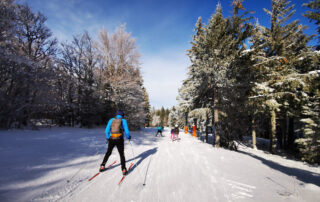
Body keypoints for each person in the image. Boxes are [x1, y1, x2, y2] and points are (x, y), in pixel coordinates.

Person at [100, 110, 131, 175]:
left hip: (112, 138)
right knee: (121, 154)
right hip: (119, 139)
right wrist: (128, 137)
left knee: (108, 152)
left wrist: (108, 138)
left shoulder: (111, 120)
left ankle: (102, 165)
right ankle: (124, 169)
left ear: (116, 114)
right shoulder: (123, 121)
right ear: (122, 115)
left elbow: (106, 131)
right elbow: (127, 131)